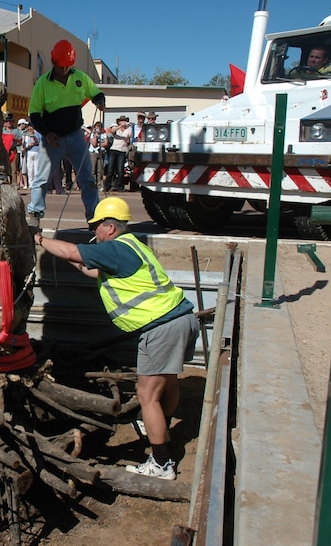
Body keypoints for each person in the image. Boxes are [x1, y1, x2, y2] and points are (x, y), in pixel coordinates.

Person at [33, 197, 199, 480]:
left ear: (110, 227)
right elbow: (89, 267)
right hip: (182, 320)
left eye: (97, 226)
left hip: (161, 329)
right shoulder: (133, 247)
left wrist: (39, 239)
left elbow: (75, 251)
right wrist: (74, 259)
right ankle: (161, 426)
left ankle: (161, 463)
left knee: (147, 396)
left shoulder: (115, 249)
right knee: (167, 383)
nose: (94, 232)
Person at [27, 40, 105, 228]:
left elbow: (95, 93)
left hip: (76, 136)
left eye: (67, 67)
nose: (64, 70)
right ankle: (35, 215)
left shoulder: (80, 78)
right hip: (52, 139)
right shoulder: (42, 84)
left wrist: (100, 99)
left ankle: (93, 217)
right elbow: (34, 115)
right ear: (54, 63)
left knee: (87, 178)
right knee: (42, 179)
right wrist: (46, 134)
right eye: (60, 67)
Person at [105, 116, 132, 192]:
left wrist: (127, 139)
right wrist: (120, 126)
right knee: (110, 169)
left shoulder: (128, 129)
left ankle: (120, 187)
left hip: (122, 151)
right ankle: (107, 186)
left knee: (120, 170)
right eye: (121, 120)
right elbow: (112, 131)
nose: (123, 122)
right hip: (113, 150)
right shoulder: (116, 128)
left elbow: (130, 137)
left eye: (124, 120)